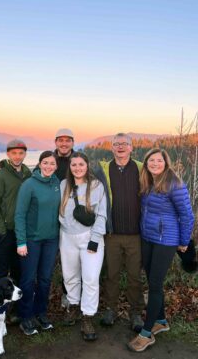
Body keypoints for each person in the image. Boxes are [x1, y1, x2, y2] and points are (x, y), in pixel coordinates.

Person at [128, 148, 194, 352]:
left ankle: (147, 333)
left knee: (155, 284)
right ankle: (161, 321)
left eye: (159, 160)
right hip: (148, 238)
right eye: (151, 160)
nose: (155, 164)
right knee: (152, 281)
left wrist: (183, 242)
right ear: (146, 163)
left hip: (167, 240)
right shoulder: (147, 182)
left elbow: (187, 215)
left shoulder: (174, 183)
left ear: (166, 163)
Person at [97, 133, 144, 332]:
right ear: (112, 148)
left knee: (134, 276)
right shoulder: (103, 170)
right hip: (112, 233)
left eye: (125, 144)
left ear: (132, 148)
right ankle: (110, 309)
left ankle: (136, 313)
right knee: (112, 274)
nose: (121, 147)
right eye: (116, 144)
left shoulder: (141, 169)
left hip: (136, 234)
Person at [59, 152, 106, 341]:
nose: (77, 168)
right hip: (67, 237)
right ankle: (73, 306)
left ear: (87, 165)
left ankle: (87, 315)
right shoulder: (63, 185)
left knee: (90, 278)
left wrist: (95, 238)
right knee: (70, 276)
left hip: (89, 238)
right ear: (69, 167)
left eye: (81, 164)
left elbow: (101, 214)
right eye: (74, 165)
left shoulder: (96, 186)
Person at [15, 151, 60, 335]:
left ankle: (40, 312)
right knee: (28, 279)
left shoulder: (57, 184)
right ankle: (25, 316)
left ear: (56, 166)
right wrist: (21, 241)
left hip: (51, 239)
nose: (49, 166)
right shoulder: (29, 185)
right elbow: (19, 214)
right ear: (40, 164)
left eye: (52, 163)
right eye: (45, 162)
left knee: (45, 279)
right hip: (32, 240)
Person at [0, 139, 31, 284]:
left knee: (18, 269)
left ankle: (15, 305)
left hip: (22, 232)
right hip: (5, 232)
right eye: (14, 153)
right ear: (8, 154)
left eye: (21, 153)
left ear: (25, 154)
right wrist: (1, 230)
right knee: (1, 270)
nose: (17, 156)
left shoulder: (28, 175)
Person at [54, 128, 75, 308]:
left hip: (75, 220)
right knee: (57, 261)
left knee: (73, 260)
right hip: (52, 218)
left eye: (67, 140)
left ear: (72, 143)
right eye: (60, 140)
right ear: (56, 143)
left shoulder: (78, 161)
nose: (64, 143)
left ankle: (71, 296)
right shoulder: (48, 161)